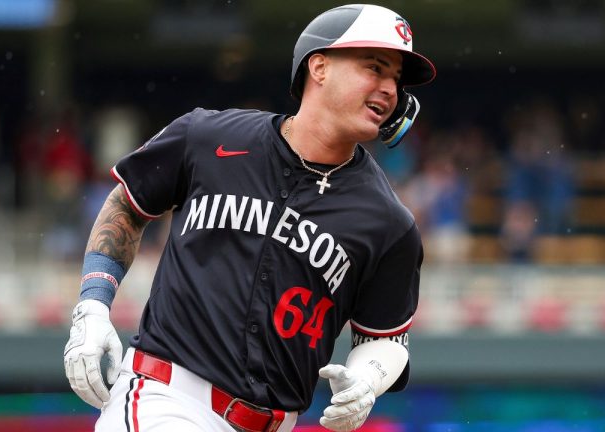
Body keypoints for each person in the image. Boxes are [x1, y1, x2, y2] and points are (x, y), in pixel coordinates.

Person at [64, 4, 435, 431]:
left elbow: (385, 338)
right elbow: (128, 204)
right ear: (319, 67)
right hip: (166, 398)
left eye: (396, 79)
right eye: (375, 67)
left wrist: (369, 379)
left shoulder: (388, 222)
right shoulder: (208, 137)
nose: (390, 88)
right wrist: (92, 306)